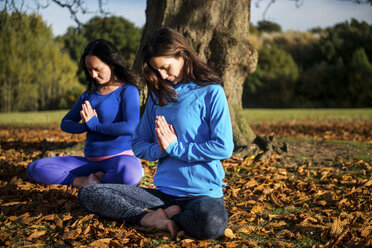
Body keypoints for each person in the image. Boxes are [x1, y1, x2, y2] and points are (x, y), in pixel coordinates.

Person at [77, 28, 234, 239]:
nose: (161, 75)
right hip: (163, 195)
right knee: (89, 193)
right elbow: (138, 143)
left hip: (202, 195)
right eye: (156, 69)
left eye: (165, 67)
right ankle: (149, 218)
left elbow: (223, 146)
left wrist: (175, 148)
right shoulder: (157, 97)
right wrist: (161, 149)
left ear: (183, 55)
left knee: (211, 225)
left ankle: (175, 217)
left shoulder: (211, 92)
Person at [26, 39, 143, 187]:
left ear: (112, 64)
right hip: (89, 163)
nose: (93, 75)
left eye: (97, 69)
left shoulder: (128, 90)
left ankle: (101, 179)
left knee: (130, 174)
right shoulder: (88, 94)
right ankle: (85, 181)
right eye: (89, 70)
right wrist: (85, 127)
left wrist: (96, 126)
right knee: (35, 168)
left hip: (119, 159)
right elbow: (65, 123)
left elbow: (131, 127)